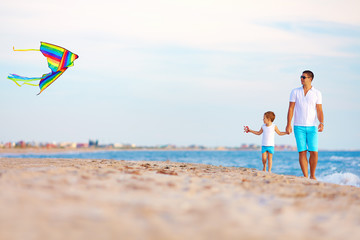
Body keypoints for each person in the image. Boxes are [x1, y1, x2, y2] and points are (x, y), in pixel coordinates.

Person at [286, 70, 324, 180]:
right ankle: (305, 176)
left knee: (314, 152)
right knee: (302, 152)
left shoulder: (317, 93)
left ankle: (312, 175)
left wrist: (322, 122)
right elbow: (291, 108)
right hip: (298, 126)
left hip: (312, 127)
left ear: (310, 79)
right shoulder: (295, 92)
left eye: (304, 77)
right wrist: (288, 124)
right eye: (301, 77)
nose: (301, 79)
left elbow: (319, 110)